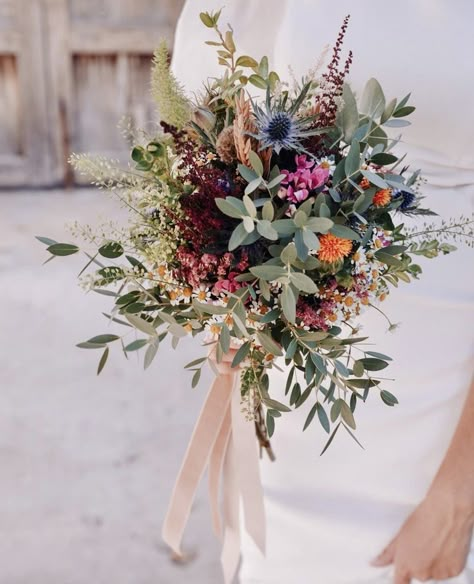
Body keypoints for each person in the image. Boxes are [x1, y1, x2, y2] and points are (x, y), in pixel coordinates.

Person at [171, 1, 474, 582]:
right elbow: (233, 120)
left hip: (444, 402)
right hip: (302, 376)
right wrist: (227, 296)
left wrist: (460, 496)